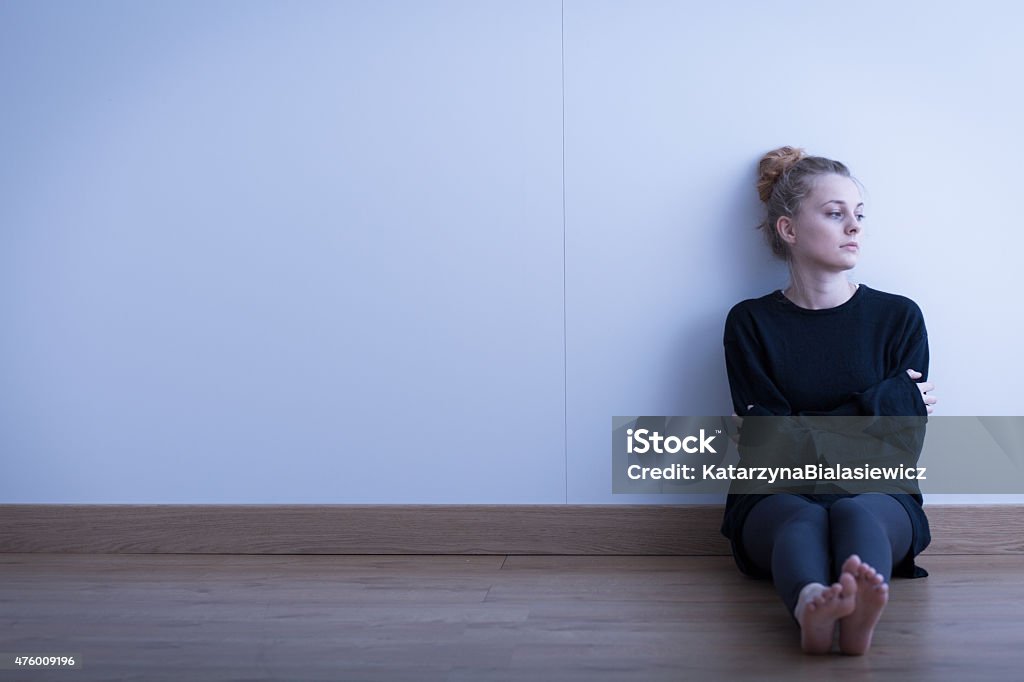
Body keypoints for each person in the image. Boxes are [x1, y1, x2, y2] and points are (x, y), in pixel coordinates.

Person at [721, 146, 937, 655]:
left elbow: (901, 449)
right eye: (835, 213)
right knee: (803, 517)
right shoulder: (750, 324)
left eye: (858, 215)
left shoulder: (899, 318)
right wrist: (880, 404)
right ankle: (812, 604)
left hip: (881, 496)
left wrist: (792, 432)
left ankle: (858, 609)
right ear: (789, 230)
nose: (854, 227)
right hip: (772, 502)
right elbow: (769, 455)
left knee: (855, 513)